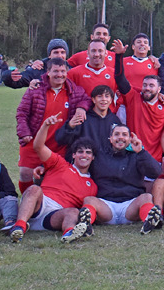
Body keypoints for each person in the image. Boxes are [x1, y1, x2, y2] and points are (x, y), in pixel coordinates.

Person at [9, 117, 97, 243]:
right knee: (34, 189)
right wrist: (45, 125)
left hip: (57, 214)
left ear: (93, 157)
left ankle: (69, 233)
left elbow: (87, 210)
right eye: (80, 152)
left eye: (88, 153)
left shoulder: (92, 186)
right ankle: (19, 227)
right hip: (39, 203)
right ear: (73, 155)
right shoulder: (60, 163)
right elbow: (38, 147)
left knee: (73, 211)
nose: (84, 155)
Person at [15, 57, 91, 194]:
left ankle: (43, 205)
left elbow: (86, 99)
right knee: (25, 173)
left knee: (53, 178)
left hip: (58, 145)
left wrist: (81, 108)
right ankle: (27, 202)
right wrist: (24, 132)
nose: (59, 75)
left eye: (63, 71)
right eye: (56, 71)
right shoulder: (36, 88)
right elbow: (22, 112)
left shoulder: (73, 89)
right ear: (48, 72)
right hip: (33, 141)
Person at [82, 124, 163, 235]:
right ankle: (85, 225)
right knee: (89, 200)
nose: (120, 137)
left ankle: (150, 221)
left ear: (130, 139)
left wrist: (141, 151)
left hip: (130, 207)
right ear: (110, 139)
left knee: (146, 197)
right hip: (106, 207)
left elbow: (156, 172)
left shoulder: (137, 155)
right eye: (116, 134)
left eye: (124, 135)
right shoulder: (99, 155)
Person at [112, 40, 164, 163]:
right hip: (133, 160)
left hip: (154, 162)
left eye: (151, 85)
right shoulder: (133, 97)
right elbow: (120, 78)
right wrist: (119, 56)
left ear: (159, 89)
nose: (147, 88)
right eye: (145, 85)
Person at [55, 84, 122, 153]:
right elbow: (61, 140)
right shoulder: (82, 117)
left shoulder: (115, 120)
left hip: (107, 161)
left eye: (107, 96)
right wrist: (69, 126)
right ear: (93, 100)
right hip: (85, 160)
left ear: (111, 100)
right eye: (99, 96)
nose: (104, 99)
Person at [66, 39, 117, 110]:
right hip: (84, 117)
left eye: (100, 51)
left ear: (106, 53)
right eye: (93, 51)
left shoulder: (114, 73)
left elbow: (125, 94)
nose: (96, 54)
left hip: (107, 118)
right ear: (87, 53)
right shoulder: (74, 73)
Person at [2, 38, 69, 89]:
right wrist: (8, 76)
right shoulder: (38, 70)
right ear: (49, 55)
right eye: (56, 52)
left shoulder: (71, 70)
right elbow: (17, 82)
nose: (60, 55)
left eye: (62, 52)